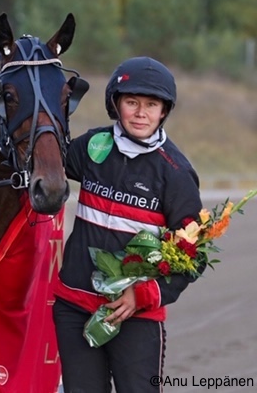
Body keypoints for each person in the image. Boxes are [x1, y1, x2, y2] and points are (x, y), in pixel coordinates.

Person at [52, 57, 203, 392]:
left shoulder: (175, 174)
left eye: (151, 105)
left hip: (136, 316)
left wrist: (143, 295)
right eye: (132, 102)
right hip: (74, 308)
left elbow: (195, 255)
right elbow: (46, 159)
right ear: (115, 104)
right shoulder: (93, 147)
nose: (141, 113)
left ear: (164, 111)